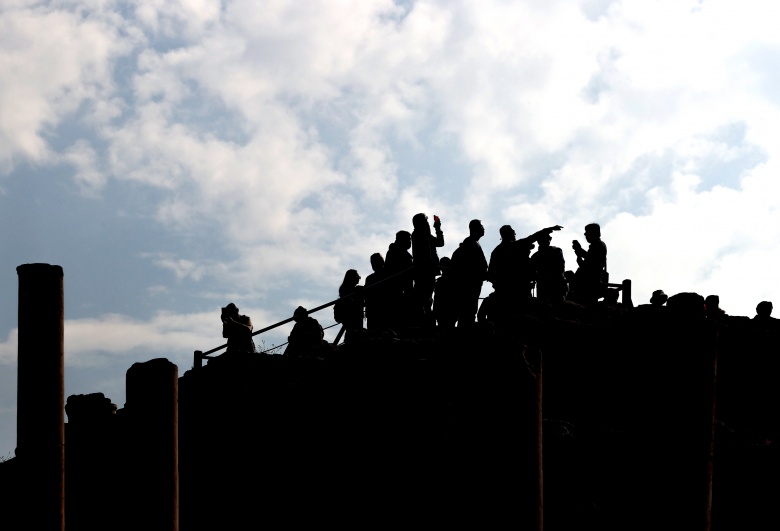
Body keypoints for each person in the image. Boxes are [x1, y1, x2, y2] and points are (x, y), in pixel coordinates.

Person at [451, 219, 489, 328]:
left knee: (468, 311)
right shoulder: (471, 245)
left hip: (471, 284)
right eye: (481, 226)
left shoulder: (469, 244)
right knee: (468, 311)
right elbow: (474, 266)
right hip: (470, 284)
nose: (484, 228)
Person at [411, 213, 444, 327]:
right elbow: (427, 254)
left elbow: (440, 243)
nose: (427, 223)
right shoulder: (418, 235)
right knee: (424, 299)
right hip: (424, 272)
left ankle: (427, 321)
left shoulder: (424, 235)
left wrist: (438, 229)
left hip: (427, 271)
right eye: (425, 221)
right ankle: (426, 323)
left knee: (426, 299)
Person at [569, 223, 608, 305]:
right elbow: (589, 258)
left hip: (590, 281)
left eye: (587, 232)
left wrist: (579, 256)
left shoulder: (597, 246)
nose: (585, 235)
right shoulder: (598, 245)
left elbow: (589, 265)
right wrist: (579, 250)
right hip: (590, 279)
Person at [384, 230, 414, 331]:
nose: (410, 242)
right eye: (409, 239)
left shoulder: (396, 251)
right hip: (398, 289)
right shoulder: (396, 252)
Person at [530, 230, 567, 304]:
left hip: (555, 284)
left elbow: (561, 268)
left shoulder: (556, 251)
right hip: (545, 285)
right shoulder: (535, 256)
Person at [335, 269, 365, 342]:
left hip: (348, 323)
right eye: (358, 276)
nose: (359, 278)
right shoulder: (356, 290)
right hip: (354, 320)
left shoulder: (344, 291)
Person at [365, 253, 391, 331]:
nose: (373, 265)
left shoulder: (388, 274)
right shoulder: (369, 278)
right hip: (373, 311)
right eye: (372, 263)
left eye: (375, 262)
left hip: (384, 309)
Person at [433, 256, 458, 333]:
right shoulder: (456, 281)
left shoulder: (439, 282)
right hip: (450, 309)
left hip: (444, 309)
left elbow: (437, 298)